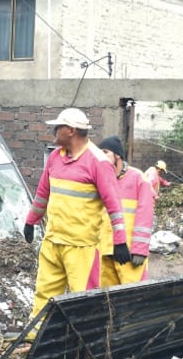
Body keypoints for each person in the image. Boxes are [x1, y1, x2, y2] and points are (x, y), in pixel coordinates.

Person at [22, 108, 130, 332]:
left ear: (71, 131)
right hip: (53, 241)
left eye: (58, 127)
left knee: (84, 300)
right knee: (44, 292)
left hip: (82, 248)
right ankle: (36, 338)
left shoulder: (98, 162)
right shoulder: (55, 157)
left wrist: (120, 240)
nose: (54, 131)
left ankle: (84, 344)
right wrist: (31, 221)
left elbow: (114, 206)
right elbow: (43, 193)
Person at [98, 136, 154, 286]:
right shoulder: (101, 180)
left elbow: (145, 216)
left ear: (118, 155)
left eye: (105, 152)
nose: (101, 157)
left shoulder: (138, 178)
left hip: (129, 254)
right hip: (105, 252)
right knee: (106, 300)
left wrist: (140, 250)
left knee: (133, 298)